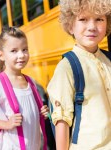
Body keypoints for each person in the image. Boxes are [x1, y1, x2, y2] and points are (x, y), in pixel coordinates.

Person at [47, 0, 111, 149]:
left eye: (99, 19)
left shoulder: (108, 60)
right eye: (83, 19)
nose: (92, 27)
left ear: (107, 24)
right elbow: (62, 121)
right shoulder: (67, 67)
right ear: (70, 26)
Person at [0, 26, 49, 150]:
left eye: (24, 49)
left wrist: (41, 113)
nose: (21, 55)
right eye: (14, 51)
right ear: (1, 55)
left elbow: (29, 112)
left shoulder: (31, 82)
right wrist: (6, 124)